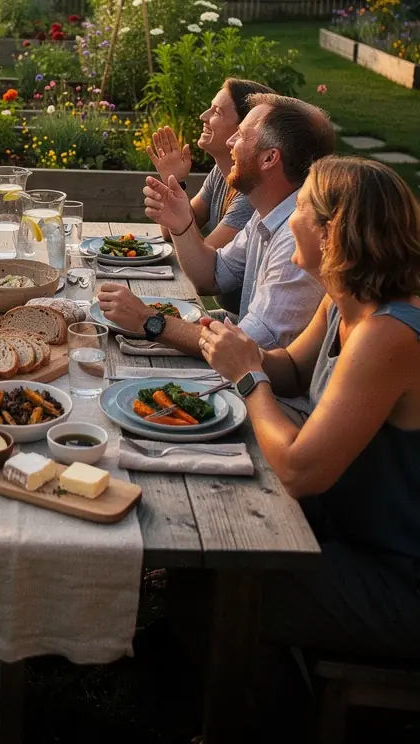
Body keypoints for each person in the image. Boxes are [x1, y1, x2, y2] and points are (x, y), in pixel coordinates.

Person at [200, 156, 420, 656]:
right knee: (212, 543)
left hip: (395, 576)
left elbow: (299, 471)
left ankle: (257, 694)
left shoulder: (388, 334)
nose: (289, 218)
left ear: (330, 232)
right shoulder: (346, 299)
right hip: (344, 530)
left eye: (299, 206)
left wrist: (248, 376)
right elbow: (295, 370)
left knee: (217, 580)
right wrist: (245, 351)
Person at [99, 94, 335, 373]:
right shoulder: (269, 213)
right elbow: (212, 276)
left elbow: (244, 348)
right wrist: (182, 225)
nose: (230, 142)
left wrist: (148, 320)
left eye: (242, 135)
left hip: (264, 389)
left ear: (270, 158)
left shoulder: (298, 238)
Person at [147, 79, 273, 312]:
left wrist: (181, 223)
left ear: (244, 130)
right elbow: (171, 230)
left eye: (216, 112)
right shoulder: (220, 173)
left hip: (242, 322)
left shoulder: (251, 199)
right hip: (232, 317)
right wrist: (174, 182)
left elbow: (203, 261)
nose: (203, 116)